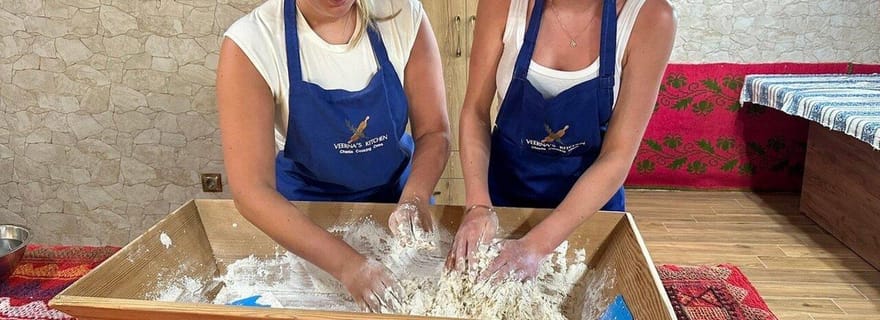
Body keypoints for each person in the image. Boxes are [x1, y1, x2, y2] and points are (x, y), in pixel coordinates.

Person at [216, 0, 449, 312]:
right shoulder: (253, 43)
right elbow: (251, 190)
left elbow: (434, 132)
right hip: (307, 217)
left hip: (399, 199)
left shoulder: (402, 15)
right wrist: (346, 265)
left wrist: (415, 197)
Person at [447, 0, 675, 281]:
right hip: (503, 200)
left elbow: (617, 155)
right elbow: (475, 112)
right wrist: (478, 205)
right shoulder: (503, 5)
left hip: (588, 212)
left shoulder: (650, 18)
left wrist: (537, 246)